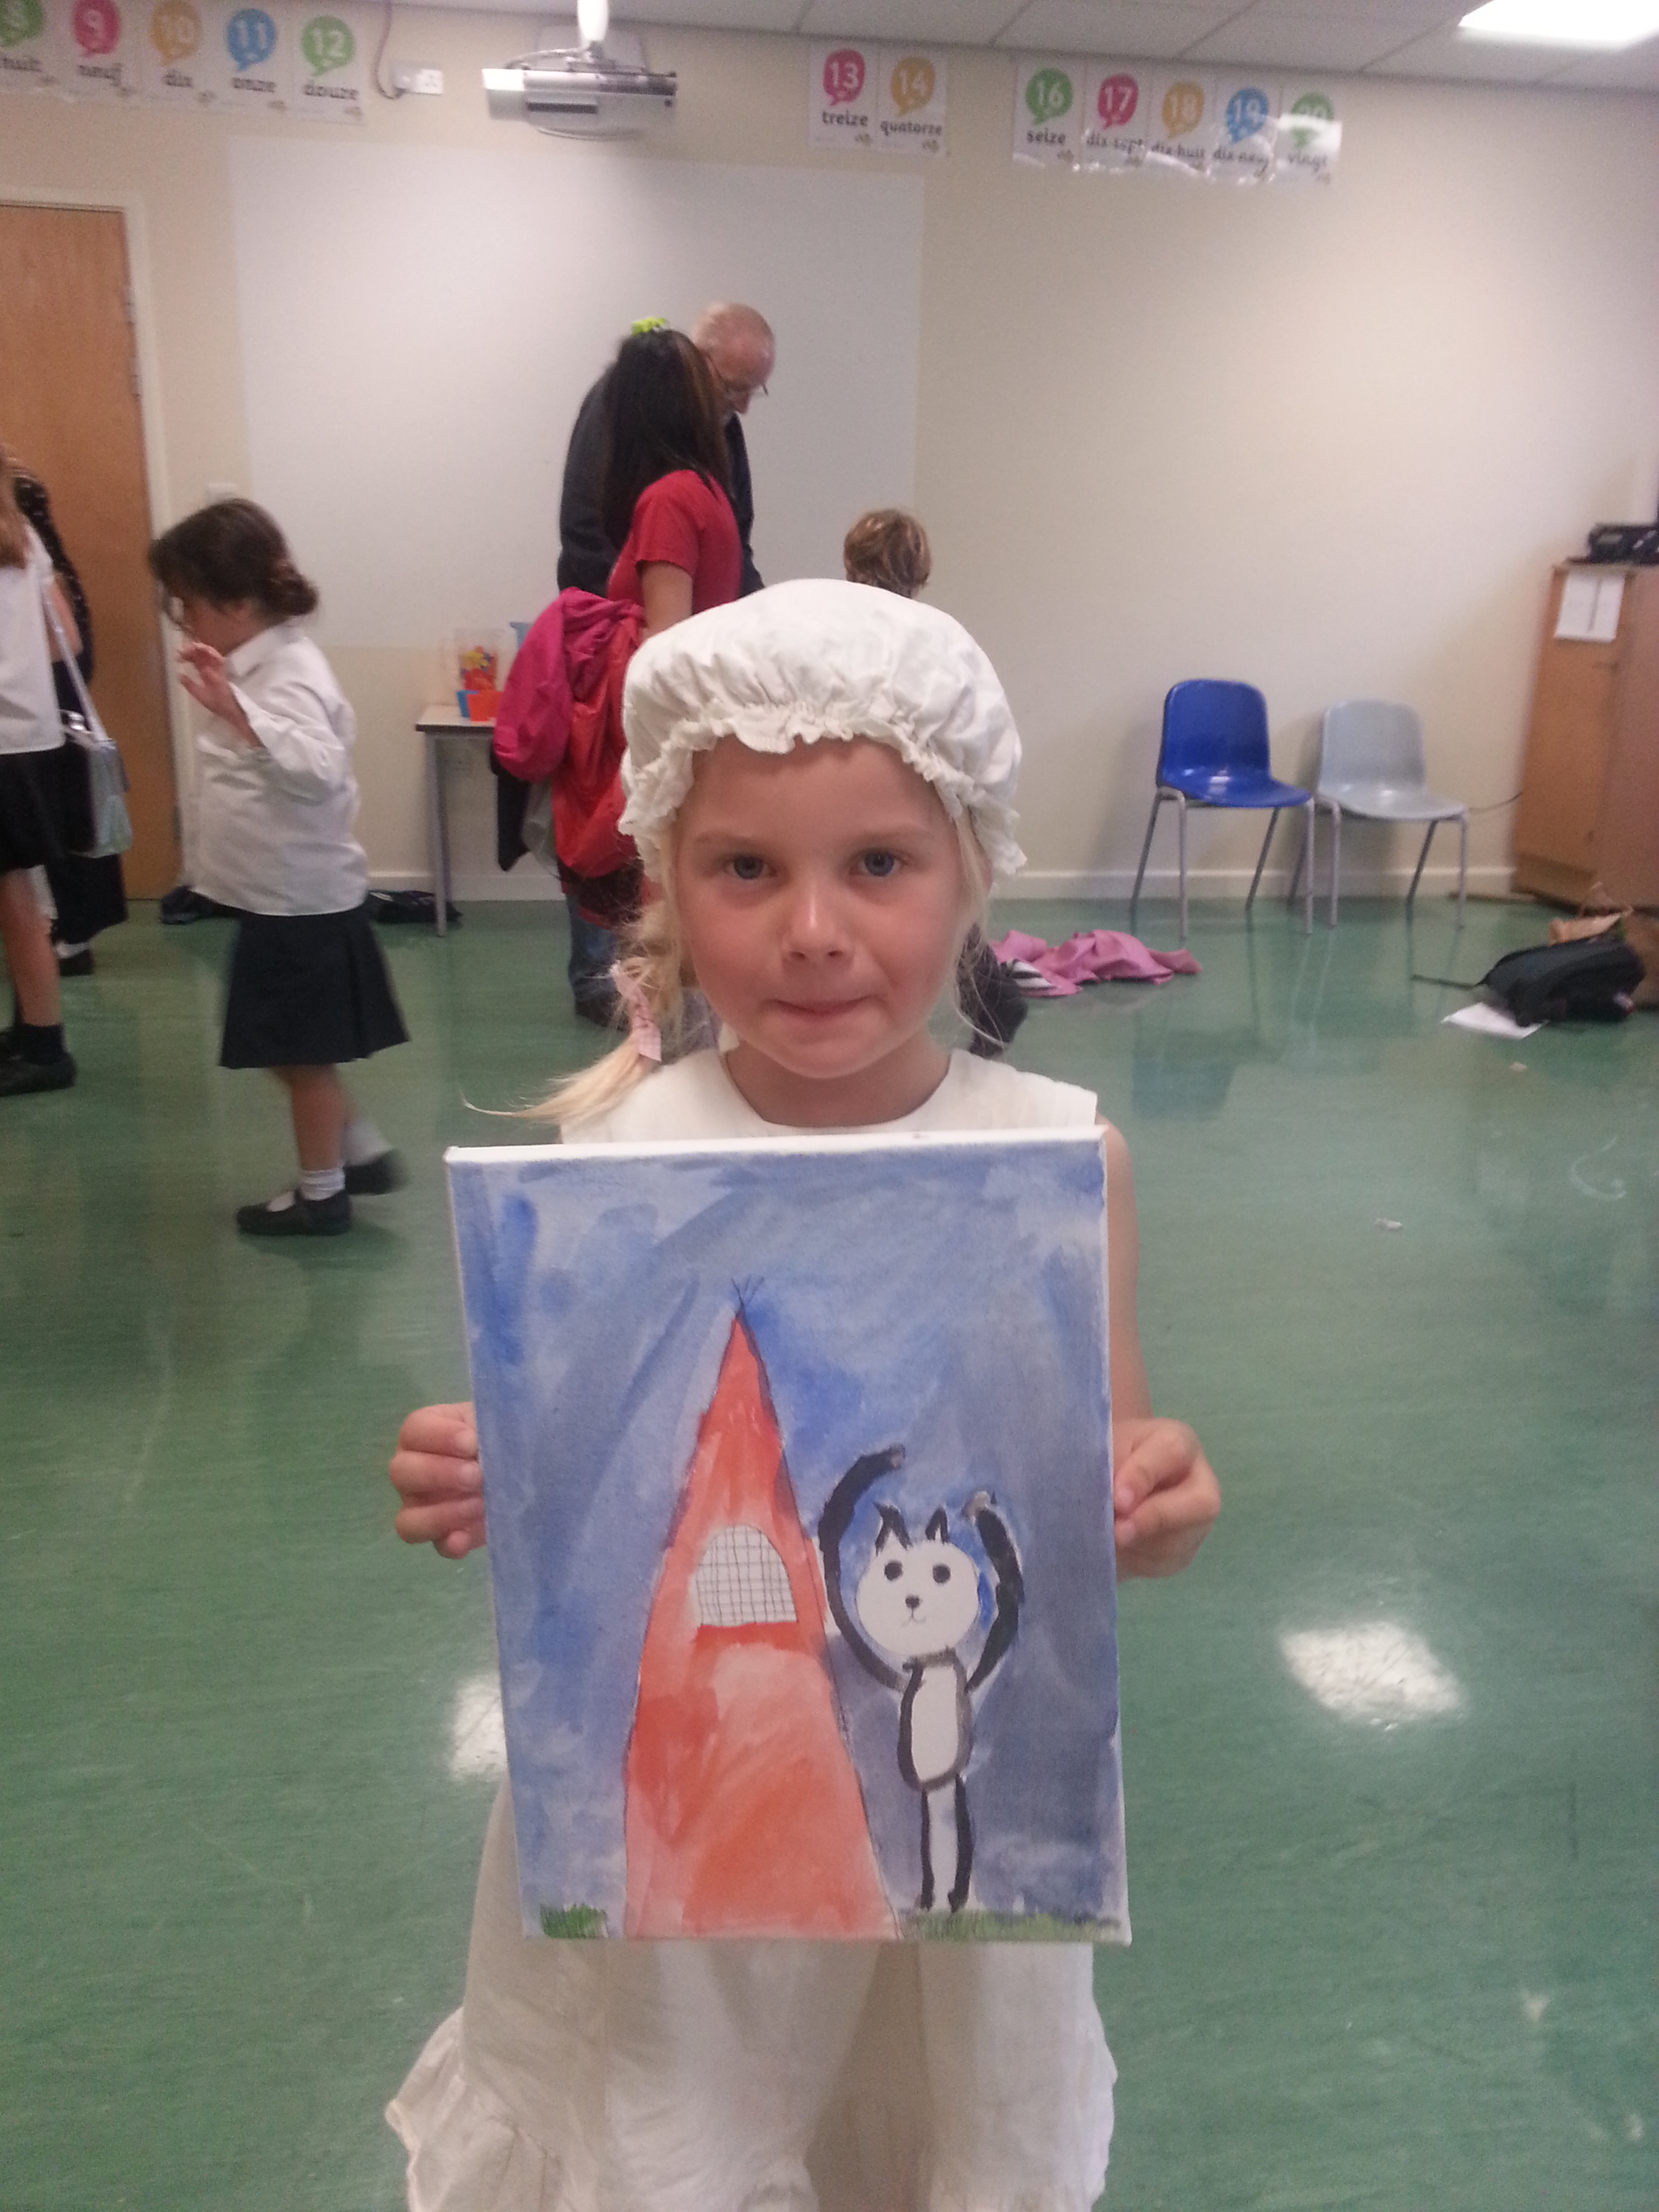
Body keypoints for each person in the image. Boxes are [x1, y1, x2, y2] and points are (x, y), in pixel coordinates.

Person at [384, 580, 1221, 2211]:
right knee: (688, 2131)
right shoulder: (617, 1163)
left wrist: (1158, 1494)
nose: (815, 929)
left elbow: (1111, 1492)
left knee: (930, 2126)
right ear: (668, 886)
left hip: (949, 1825)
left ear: (972, 872)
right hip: (687, 1838)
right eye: (747, 869)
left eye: (878, 865)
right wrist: (486, 1470)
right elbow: (574, 1489)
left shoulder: (1057, 1159)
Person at [147, 499, 408, 1235]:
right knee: (280, 1043)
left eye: (189, 605)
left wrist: (239, 712)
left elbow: (318, 769)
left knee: (302, 1057)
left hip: (301, 907)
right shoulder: (254, 665)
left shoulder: (288, 674)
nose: (184, 621)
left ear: (236, 603)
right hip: (272, 902)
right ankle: (356, 1148)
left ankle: (323, 1195)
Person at [560, 323, 743, 1021]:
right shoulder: (704, 490)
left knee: (666, 947)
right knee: (681, 943)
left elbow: (665, 649)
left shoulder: (666, 500)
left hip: (673, 740)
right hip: (697, 733)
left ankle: (671, 1066)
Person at [841, 505, 1024, 1059]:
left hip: (864, 791)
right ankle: (986, 990)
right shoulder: (940, 639)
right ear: (921, 571)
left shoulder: (838, 632)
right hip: (933, 793)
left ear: (850, 563)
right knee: (934, 900)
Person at [5, 454, 128, 974]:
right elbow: (71, 642)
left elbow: (66, 641)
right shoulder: (35, 542)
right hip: (42, 690)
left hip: (30, 702)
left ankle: (69, 933)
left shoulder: (24, 540)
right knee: (52, 826)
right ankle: (71, 933)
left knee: (30, 856)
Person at [558, 302, 773, 600]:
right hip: (612, 606)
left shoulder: (725, 428)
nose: (742, 407)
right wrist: (630, 609)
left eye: (754, 390)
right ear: (699, 361)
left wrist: (761, 607)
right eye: (733, 388)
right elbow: (584, 528)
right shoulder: (621, 403)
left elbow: (736, 541)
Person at [0, 449, 82, 1096]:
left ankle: (46, 1046)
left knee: (16, 901)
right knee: (18, 895)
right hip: (30, 739)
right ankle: (31, 1030)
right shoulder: (21, 534)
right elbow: (67, 641)